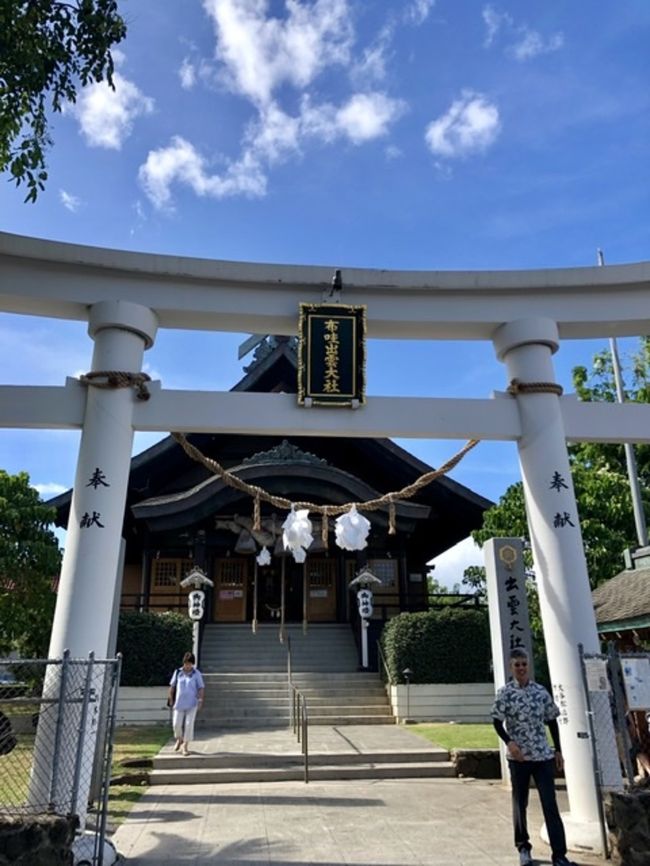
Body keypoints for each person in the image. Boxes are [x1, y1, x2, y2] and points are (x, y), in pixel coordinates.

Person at [492, 649, 577, 866]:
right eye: (517, 665)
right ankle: (523, 847)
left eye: (523, 664)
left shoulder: (540, 692)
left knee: (550, 803)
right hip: (519, 758)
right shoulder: (505, 693)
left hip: (542, 755)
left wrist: (558, 750)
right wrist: (510, 743)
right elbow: (496, 722)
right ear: (511, 668)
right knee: (520, 803)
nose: (521, 668)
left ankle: (559, 854)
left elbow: (552, 720)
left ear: (528, 666)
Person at [168, 651, 204, 756]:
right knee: (176, 724)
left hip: (192, 703)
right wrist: (171, 698)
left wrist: (200, 700)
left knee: (188, 725)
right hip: (179, 703)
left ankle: (185, 746)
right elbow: (172, 685)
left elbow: (201, 687)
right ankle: (179, 739)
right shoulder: (178, 672)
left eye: (190, 664)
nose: (188, 666)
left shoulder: (196, 674)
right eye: (186, 663)